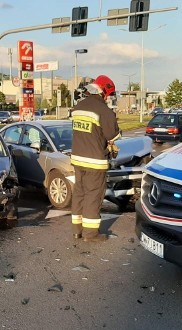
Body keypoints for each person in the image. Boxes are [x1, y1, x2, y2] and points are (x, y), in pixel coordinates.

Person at [70, 75, 120, 242]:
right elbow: (113, 135)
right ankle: (90, 234)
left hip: (77, 158)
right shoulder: (103, 110)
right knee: (93, 195)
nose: (108, 98)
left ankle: (77, 230)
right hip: (95, 161)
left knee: (79, 193)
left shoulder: (78, 107)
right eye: (109, 94)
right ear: (105, 91)